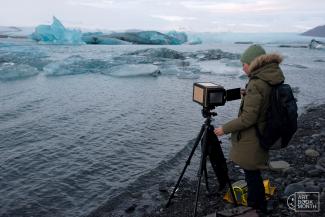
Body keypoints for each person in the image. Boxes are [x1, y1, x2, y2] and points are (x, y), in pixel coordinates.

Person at [214, 44, 284, 213]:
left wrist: (224, 129)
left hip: (253, 137)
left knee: (251, 172)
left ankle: (255, 207)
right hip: (264, 131)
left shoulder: (257, 84)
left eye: (244, 63)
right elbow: (262, 103)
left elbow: (248, 118)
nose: (242, 67)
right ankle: (258, 204)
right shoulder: (269, 78)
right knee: (252, 172)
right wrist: (248, 94)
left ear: (253, 63)